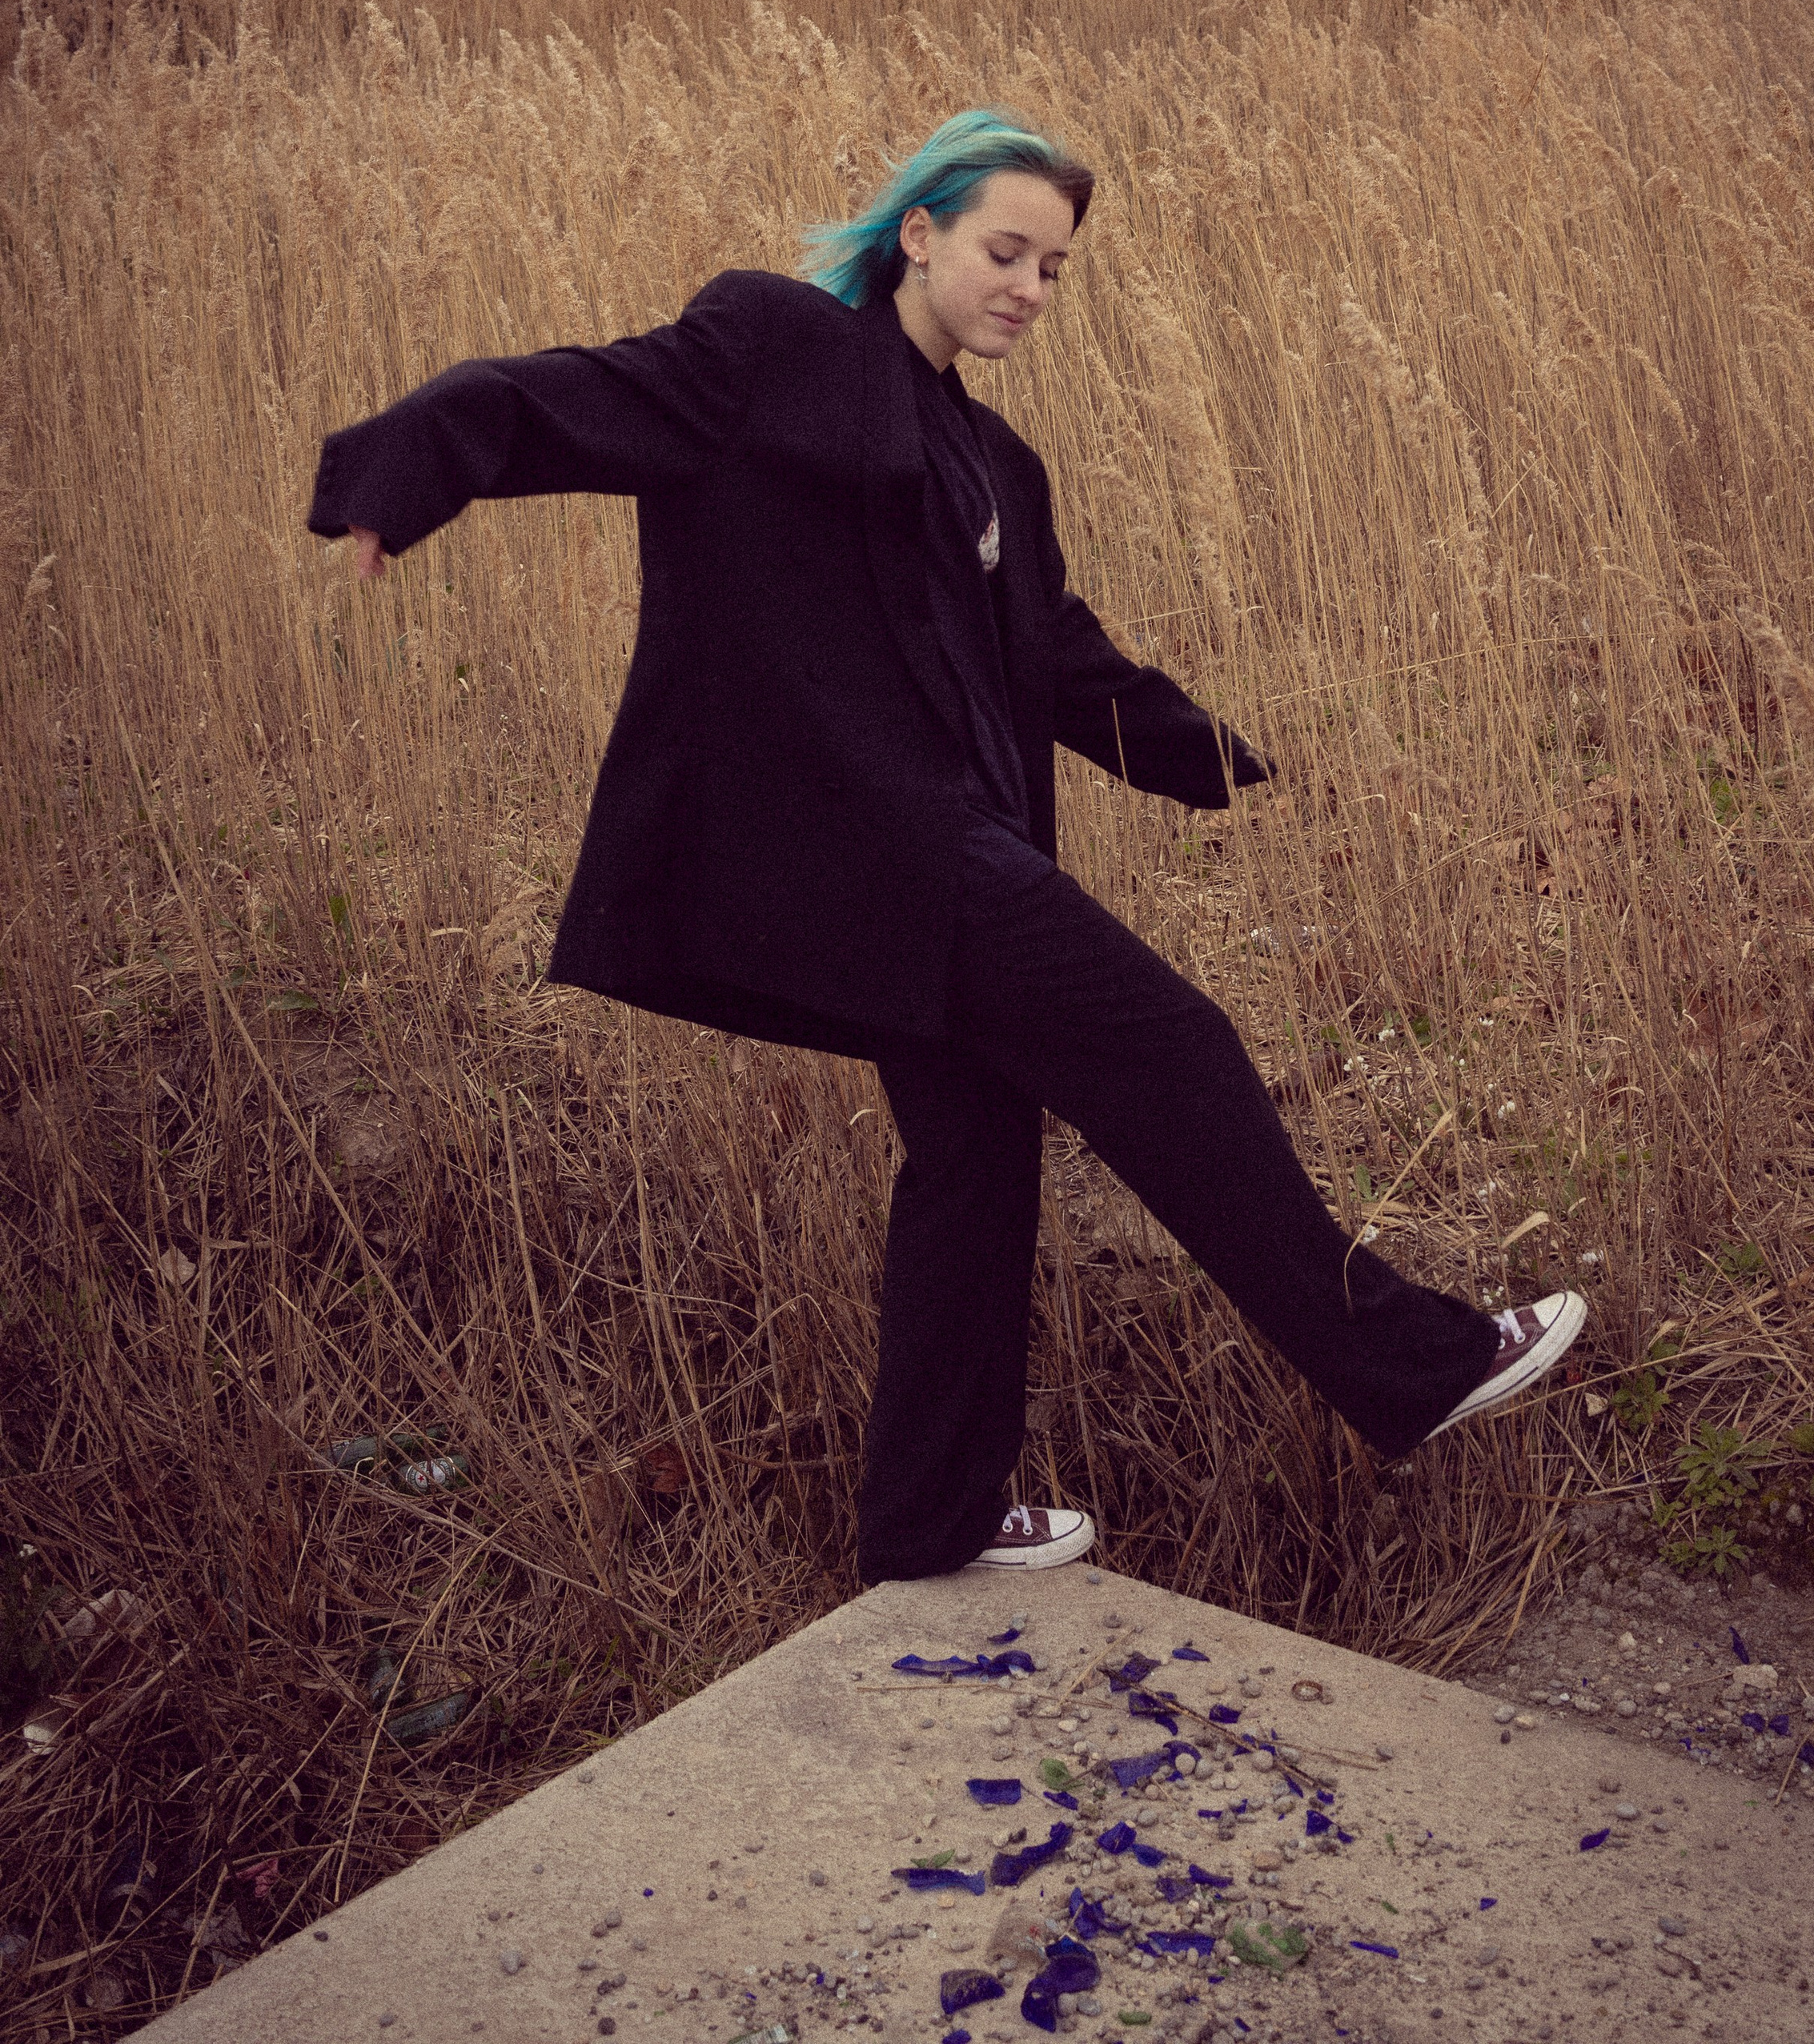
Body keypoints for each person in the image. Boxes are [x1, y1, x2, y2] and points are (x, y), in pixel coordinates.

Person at [308, 107, 1583, 1582]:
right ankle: (1412, 1367)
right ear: (916, 234)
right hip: (865, 844)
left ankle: (930, 1526)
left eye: (1053, 268)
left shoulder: (995, 466)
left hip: (945, 851)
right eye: (1003, 249)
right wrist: (401, 475)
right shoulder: (770, 352)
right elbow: (554, 397)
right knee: (1170, 1047)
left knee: (975, 1161)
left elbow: (1053, 656)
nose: (1028, 288)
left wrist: (1221, 762)